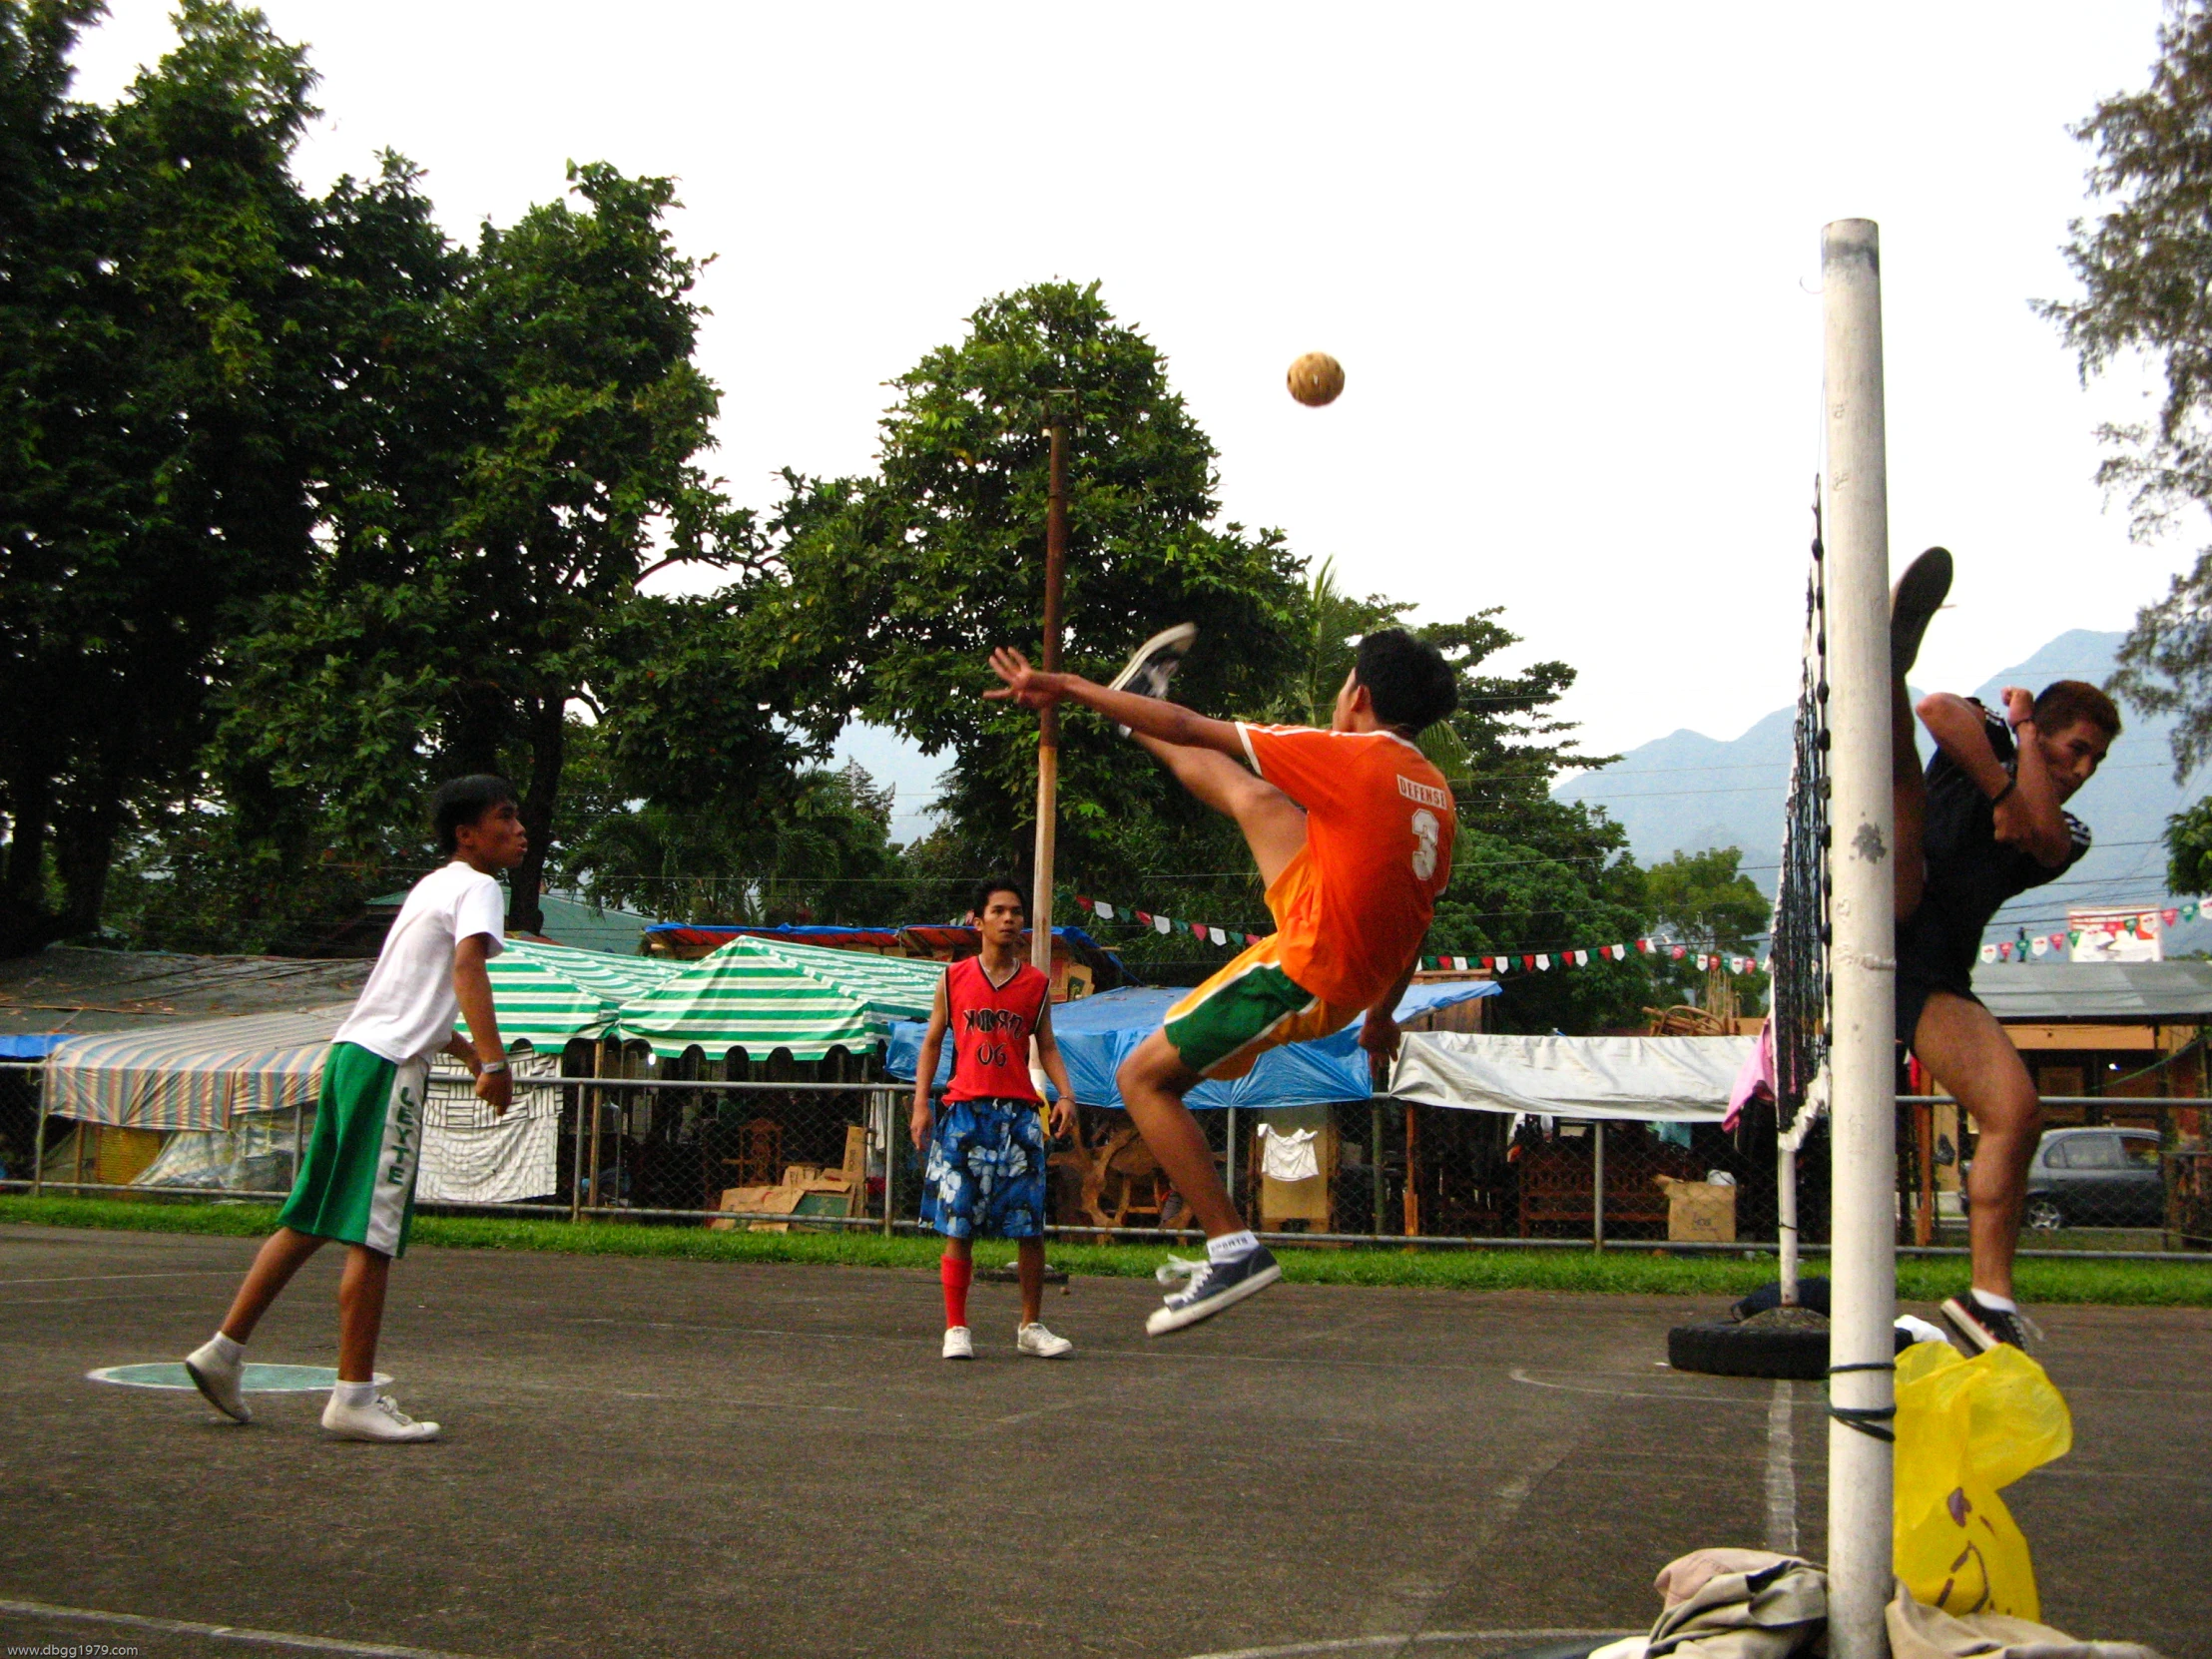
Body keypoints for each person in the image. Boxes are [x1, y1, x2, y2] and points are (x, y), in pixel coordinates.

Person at [987, 626, 1459, 1335]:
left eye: (1341, 685)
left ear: (1357, 695)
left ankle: (1230, 1245)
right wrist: (1383, 1016)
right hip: (1346, 951)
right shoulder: (1434, 794)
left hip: (1304, 968)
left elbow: (1193, 727)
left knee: (1142, 1078)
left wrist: (1070, 689)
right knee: (1258, 801)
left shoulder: (1352, 759)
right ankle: (1129, 709)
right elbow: (1415, 924)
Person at [182, 776, 526, 1441]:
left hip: (351, 1053)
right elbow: (465, 970)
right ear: (467, 834)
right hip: (387, 1065)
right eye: (504, 818)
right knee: (375, 1230)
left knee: (311, 1216)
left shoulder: (433, 884)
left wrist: (457, 1048)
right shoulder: (480, 887)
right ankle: (353, 1397)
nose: (519, 830)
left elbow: (415, 990)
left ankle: (221, 1353)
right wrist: (492, 1060)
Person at [1890, 549, 2120, 1352]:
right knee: (1909, 800)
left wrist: (2025, 772)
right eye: (2073, 748)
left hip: (1929, 972)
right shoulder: (1994, 731)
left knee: (2018, 1111)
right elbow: (1940, 713)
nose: (2082, 768)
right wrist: (2007, 758)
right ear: (2040, 730)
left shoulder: (2072, 832)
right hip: (1884, 904)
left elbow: (2043, 837)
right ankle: (1882, 663)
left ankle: (1987, 1297)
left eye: (2094, 759)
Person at [909, 876, 1080, 1361]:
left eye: (1016, 912)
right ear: (978, 919)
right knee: (957, 1222)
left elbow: (1045, 1045)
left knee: (1029, 1225)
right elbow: (932, 1041)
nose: (1009, 920)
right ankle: (956, 1327)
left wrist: (1066, 1095)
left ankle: (1030, 1325)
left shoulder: (1036, 984)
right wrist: (922, 1103)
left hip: (1018, 1114)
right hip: (965, 1109)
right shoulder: (953, 977)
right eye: (999, 911)